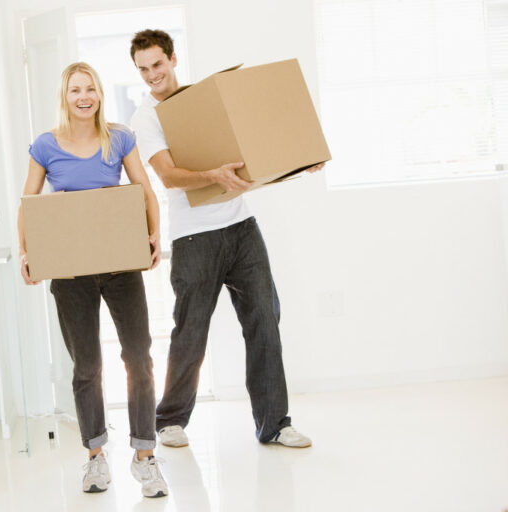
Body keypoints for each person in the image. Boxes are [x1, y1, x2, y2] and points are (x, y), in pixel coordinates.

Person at [129, 29, 323, 449]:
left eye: (157, 64)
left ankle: (274, 423)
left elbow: (252, 142)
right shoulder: (146, 119)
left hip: (240, 226)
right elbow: (167, 175)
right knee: (191, 330)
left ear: (173, 59)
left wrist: (298, 159)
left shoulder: (202, 101)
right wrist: (211, 176)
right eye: (143, 69)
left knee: (264, 320)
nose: (152, 75)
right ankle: (170, 421)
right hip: (195, 235)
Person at [17, 62, 168, 498]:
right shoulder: (45, 146)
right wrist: (27, 252)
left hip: (120, 266)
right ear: (65, 97)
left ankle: (145, 457)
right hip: (71, 273)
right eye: (75, 90)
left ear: (99, 94)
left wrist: (154, 234)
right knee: (87, 367)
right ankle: (96, 458)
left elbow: (144, 188)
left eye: (91, 89)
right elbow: (28, 204)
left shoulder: (119, 137)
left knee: (138, 357)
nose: (84, 97)